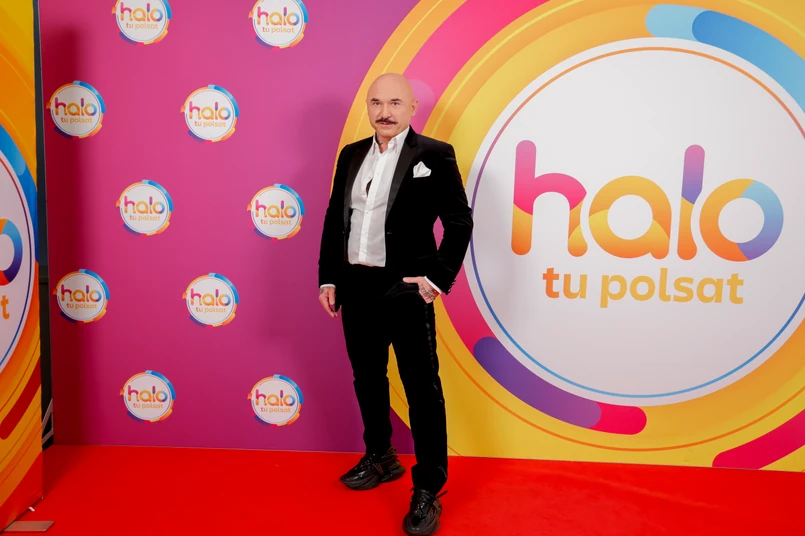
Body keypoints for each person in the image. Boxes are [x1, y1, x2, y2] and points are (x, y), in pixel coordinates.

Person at [317, 73, 473, 535]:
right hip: (356, 286)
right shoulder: (351, 155)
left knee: (422, 390)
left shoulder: (435, 155)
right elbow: (334, 218)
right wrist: (329, 277)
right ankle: (381, 456)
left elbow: (459, 221)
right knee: (367, 378)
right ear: (368, 106)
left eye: (395, 103)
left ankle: (428, 487)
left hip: (406, 288)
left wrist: (436, 278)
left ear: (412, 108)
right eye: (376, 102)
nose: (384, 112)